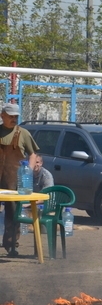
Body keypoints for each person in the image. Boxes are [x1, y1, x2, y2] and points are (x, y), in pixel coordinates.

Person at [1, 103, 40, 257]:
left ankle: (11, 245)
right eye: (10, 116)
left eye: (15, 116)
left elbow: (32, 154)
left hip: (13, 178)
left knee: (12, 212)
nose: (13, 119)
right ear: (2, 115)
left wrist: (28, 171)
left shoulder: (22, 133)